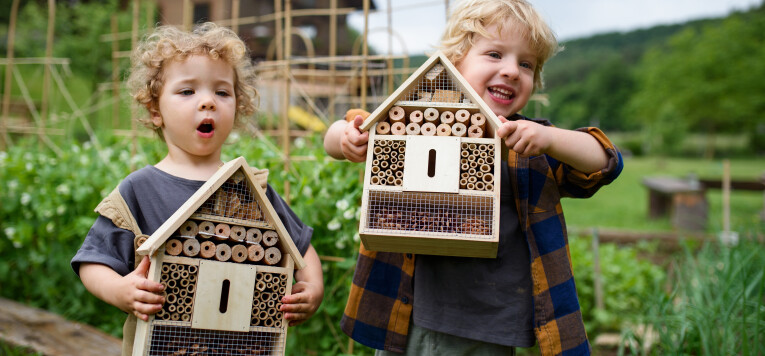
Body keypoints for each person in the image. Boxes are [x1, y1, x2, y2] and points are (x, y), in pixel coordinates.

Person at [324, 0, 623, 355]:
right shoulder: (420, 118)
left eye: (526, 64)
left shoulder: (528, 142)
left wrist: (551, 139)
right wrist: (347, 140)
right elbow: (342, 131)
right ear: (456, 60)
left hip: (492, 326)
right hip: (411, 314)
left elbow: (606, 161)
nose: (512, 70)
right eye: (495, 54)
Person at [71, 22, 323, 354]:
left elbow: (300, 248)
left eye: (222, 92)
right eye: (188, 91)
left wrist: (312, 288)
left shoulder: (247, 187)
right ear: (155, 110)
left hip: (244, 345)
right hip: (164, 345)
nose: (208, 102)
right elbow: (94, 261)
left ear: (238, 105)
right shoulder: (140, 190)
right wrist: (121, 290)